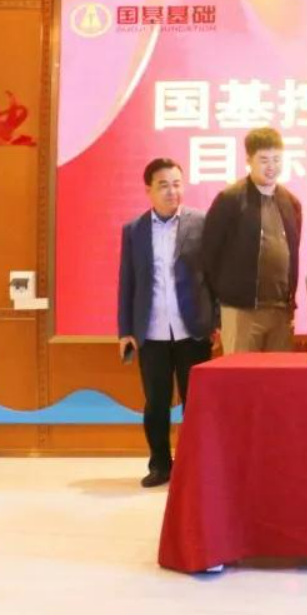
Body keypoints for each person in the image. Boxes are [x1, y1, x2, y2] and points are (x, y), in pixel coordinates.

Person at [117, 158, 214, 487]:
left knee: (196, 404)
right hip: (151, 330)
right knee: (156, 403)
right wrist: (125, 330)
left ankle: (195, 466)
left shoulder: (201, 223)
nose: (172, 191)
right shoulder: (134, 230)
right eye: (163, 185)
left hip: (193, 330)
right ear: (148, 190)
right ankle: (160, 465)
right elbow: (127, 282)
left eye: (176, 184)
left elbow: (212, 276)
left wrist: (214, 320)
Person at [201, 128, 302, 354]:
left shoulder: (291, 203)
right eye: (264, 160)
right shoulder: (229, 199)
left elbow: (292, 256)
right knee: (240, 375)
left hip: (281, 312)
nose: (271, 166)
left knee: (279, 374)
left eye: (277, 159)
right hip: (240, 311)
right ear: (249, 160)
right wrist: (214, 313)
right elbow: (208, 258)